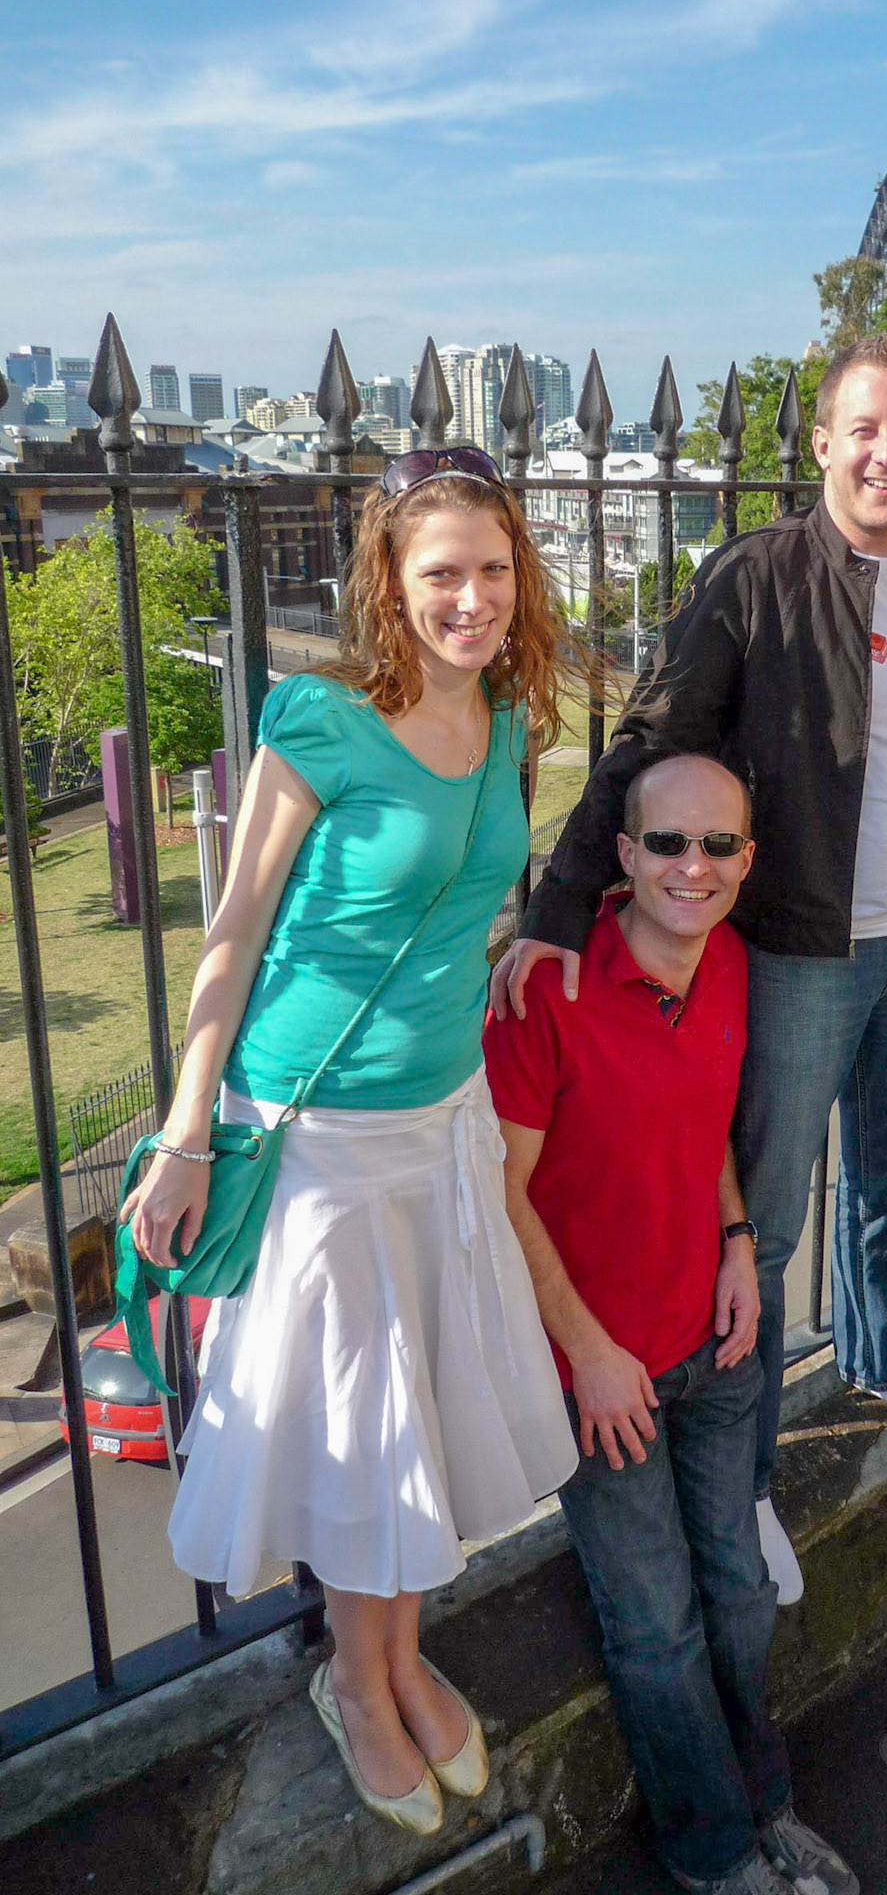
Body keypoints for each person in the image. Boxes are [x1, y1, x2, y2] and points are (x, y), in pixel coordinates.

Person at [492, 333, 887, 1603]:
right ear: (822, 443)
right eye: (864, 428)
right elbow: (654, 730)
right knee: (764, 1224)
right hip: (795, 945)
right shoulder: (755, 575)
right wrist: (559, 903)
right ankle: (755, 1473)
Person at [120, 445, 581, 1835]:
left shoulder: (507, 714)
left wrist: (518, 942)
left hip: (444, 1118)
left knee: (420, 1409)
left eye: (493, 569)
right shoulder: (319, 719)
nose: (471, 598)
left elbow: (471, 886)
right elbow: (234, 932)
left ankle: (399, 1655)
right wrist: (185, 1129)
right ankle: (358, 1680)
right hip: (320, 1134)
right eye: (442, 572)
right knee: (366, 1431)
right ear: (389, 577)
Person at [484, 751, 858, 1895]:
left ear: (747, 858)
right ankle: (715, 1850)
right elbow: (498, 1191)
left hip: (716, 1342)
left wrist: (738, 1239)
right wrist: (590, 1353)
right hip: (606, 1377)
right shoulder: (546, 992)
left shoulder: (731, 962)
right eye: (666, 842)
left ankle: (767, 1801)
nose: (692, 865)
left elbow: (703, 1135)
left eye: (718, 844)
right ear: (623, 852)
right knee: (657, 1622)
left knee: (738, 1590)